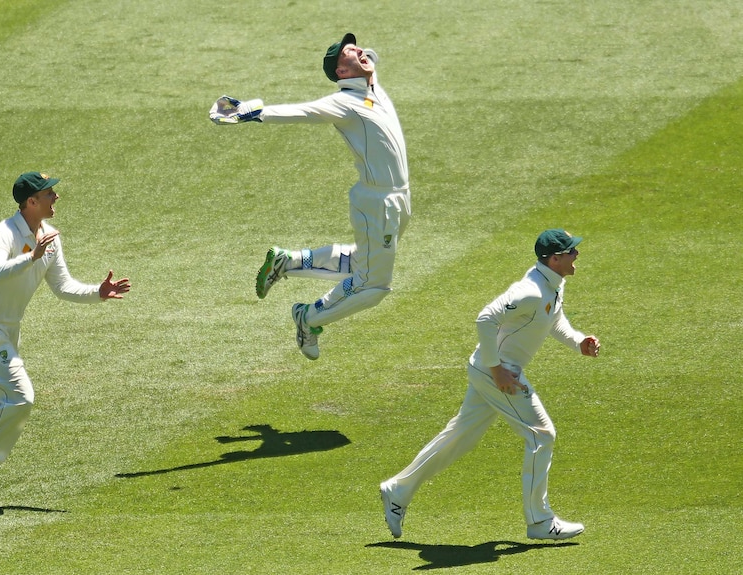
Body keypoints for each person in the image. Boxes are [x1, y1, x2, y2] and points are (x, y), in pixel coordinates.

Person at [379, 229, 601, 540]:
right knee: (541, 434)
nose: (576, 255)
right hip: (497, 374)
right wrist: (497, 370)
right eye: (571, 251)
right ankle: (539, 521)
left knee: (459, 437)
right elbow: (485, 319)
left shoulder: (551, 285)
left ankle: (397, 490)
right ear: (554, 259)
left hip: (492, 371)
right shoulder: (531, 291)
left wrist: (579, 342)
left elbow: (554, 319)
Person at [0, 172, 131, 501]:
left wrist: (98, 292)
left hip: (7, 329)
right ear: (31, 201)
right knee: (21, 396)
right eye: (50, 193)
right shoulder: (4, 232)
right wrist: (29, 258)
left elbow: (64, 287)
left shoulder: (50, 236)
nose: (56, 198)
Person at [209, 33, 411, 360]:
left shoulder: (372, 85)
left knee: (363, 260)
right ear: (341, 73)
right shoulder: (343, 102)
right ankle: (309, 317)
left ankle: (287, 262)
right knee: (375, 286)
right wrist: (251, 111)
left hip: (400, 199)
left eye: (358, 49)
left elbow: (370, 57)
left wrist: (365, 63)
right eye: (350, 52)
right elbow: (302, 112)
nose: (360, 51)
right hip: (377, 202)